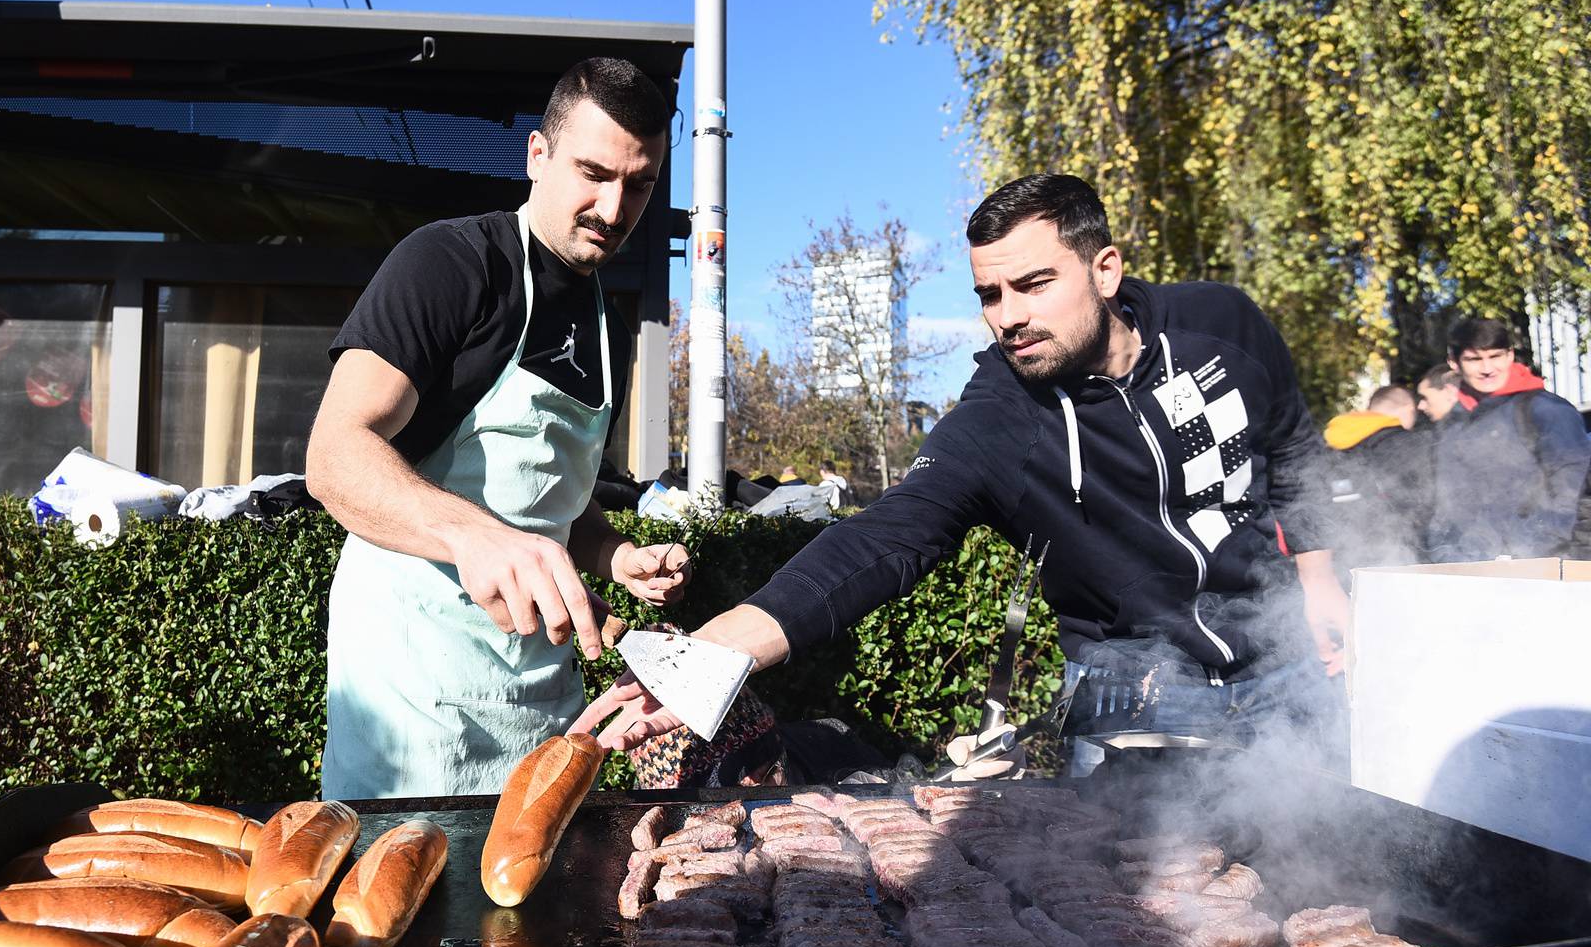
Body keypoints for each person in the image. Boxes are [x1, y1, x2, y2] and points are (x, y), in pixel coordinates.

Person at [577, 173, 1349, 775]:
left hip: (1287, 663)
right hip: (1136, 697)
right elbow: (881, 540)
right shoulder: (999, 415)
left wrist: (1320, 581)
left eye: (1034, 284)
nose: (1006, 314)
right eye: (988, 293)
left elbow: (1294, 451)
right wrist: (712, 656)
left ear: (1105, 269)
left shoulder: (1226, 325)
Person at [306, 58, 693, 798]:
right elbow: (334, 456)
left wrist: (614, 554)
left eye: (638, 183)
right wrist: (472, 535)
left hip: (546, 714)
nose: (614, 210)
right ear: (537, 157)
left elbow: (552, 494)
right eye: (593, 172)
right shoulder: (450, 264)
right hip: (413, 714)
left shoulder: (606, 325)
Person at [1422, 317, 1591, 562]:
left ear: (1510, 355)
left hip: (1545, 567)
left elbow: (1570, 499)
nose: (1487, 368)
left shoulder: (1546, 410)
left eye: (1496, 356)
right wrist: (1444, 557)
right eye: (1474, 359)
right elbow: (1447, 509)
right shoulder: (1453, 427)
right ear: (1454, 363)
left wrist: (1525, 555)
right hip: (1476, 571)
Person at [1321, 384, 1433, 576]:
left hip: (1341, 559)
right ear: (1408, 409)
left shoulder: (1331, 443)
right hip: (1398, 557)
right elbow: (1426, 503)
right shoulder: (1409, 444)